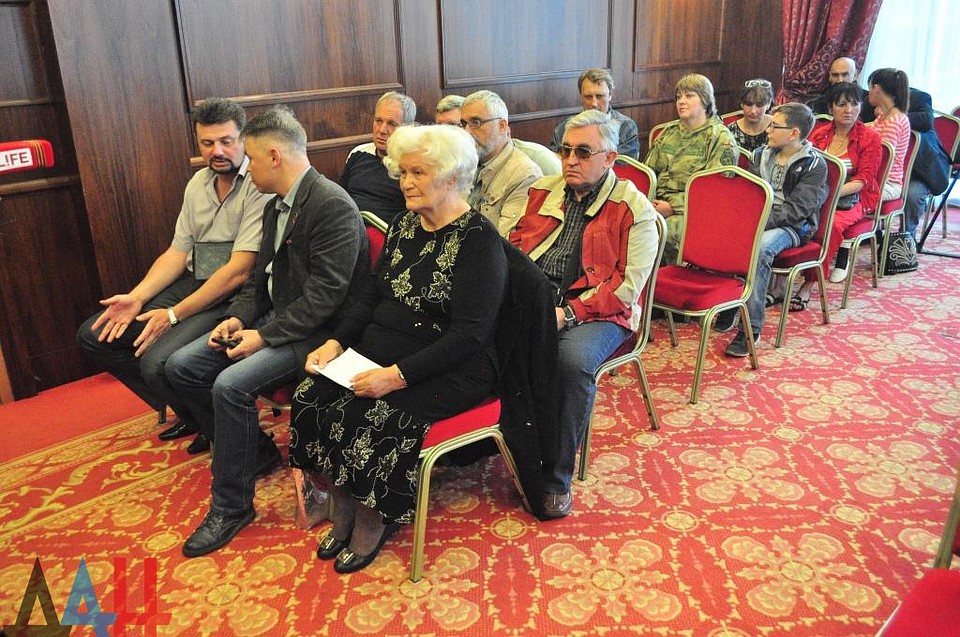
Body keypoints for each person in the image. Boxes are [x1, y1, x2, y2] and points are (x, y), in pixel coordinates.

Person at [289, 124, 506, 574]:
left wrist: (396, 376)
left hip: (451, 366)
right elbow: (370, 296)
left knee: (368, 416)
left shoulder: (478, 240)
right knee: (312, 396)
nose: (405, 182)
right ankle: (343, 504)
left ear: (452, 177)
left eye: (418, 172)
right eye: (403, 172)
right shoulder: (405, 225)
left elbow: (470, 335)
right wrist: (335, 343)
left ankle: (374, 517)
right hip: (382, 351)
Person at [166, 105, 368, 557]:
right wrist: (239, 318)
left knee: (230, 385)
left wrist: (264, 335)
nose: (248, 167)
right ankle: (253, 451)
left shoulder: (331, 205)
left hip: (319, 336)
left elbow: (324, 299)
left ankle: (231, 506)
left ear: (275, 156)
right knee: (182, 367)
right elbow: (260, 279)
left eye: (252, 159)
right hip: (279, 322)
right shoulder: (278, 202)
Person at [76, 98, 269, 449]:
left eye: (226, 141)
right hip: (195, 280)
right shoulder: (197, 183)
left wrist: (171, 315)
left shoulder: (259, 185)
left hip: (232, 292)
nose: (217, 151)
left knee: (156, 364)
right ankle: (193, 414)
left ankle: (217, 426)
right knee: (94, 335)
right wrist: (137, 298)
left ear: (244, 139)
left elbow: (238, 272)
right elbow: (177, 253)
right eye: (207, 143)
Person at [511, 109, 659, 518]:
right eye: (565, 151)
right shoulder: (544, 191)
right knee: (482, 335)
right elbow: (517, 249)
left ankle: (556, 477)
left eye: (582, 152)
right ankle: (497, 447)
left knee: (569, 362)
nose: (570, 160)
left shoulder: (633, 207)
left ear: (609, 158)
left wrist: (569, 314)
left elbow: (625, 289)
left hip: (601, 313)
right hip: (541, 298)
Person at [723, 103, 827, 356]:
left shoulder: (814, 165)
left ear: (793, 133)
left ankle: (751, 329)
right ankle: (728, 303)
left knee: (760, 247)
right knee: (724, 233)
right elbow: (748, 193)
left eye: (774, 126)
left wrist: (757, 223)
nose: (767, 130)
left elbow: (797, 210)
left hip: (793, 228)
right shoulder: (761, 155)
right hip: (758, 219)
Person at [792, 83, 881, 310]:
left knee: (829, 226)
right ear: (831, 108)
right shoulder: (819, 133)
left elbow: (864, 180)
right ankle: (782, 280)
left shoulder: (870, 137)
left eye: (854, 104)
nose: (848, 110)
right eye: (841, 105)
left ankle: (808, 284)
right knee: (791, 217)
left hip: (855, 197)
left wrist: (829, 194)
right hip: (819, 195)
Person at [644, 73, 739, 264]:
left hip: (692, 212)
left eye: (689, 96)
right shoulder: (668, 133)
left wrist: (672, 207)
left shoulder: (720, 138)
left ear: (705, 100)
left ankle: (666, 281)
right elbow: (647, 173)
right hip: (656, 205)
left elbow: (716, 191)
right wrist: (646, 204)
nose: (681, 101)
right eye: (678, 97)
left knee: (657, 232)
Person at [460, 90, 543, 236]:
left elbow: (505, 241)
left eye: (476, 123)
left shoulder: (525, 175)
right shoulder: (463, 164)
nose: (467, 132)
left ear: (502, 126)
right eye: (463, 124)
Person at [340, 91, 417, 224]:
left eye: (392, 124)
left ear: (408, 128)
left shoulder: (413, 164)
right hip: (348, 225)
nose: (382, 130)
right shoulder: (358, 153)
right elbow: (341, 197)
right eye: (378, 121)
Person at [549, 68, 639, 159]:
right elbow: (551, 163)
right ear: (581, 97)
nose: (594, 104)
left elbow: (624, 165)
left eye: (599, 96)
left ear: (610, 95)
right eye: (588, 97)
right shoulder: (565, 127)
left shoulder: (625, 127)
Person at [727, 79, 775, 152]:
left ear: (768, 104)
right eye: (749, 104)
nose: (753, 111)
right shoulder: (730, 131)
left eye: (759, 105)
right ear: (742, 104)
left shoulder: (777, 128)